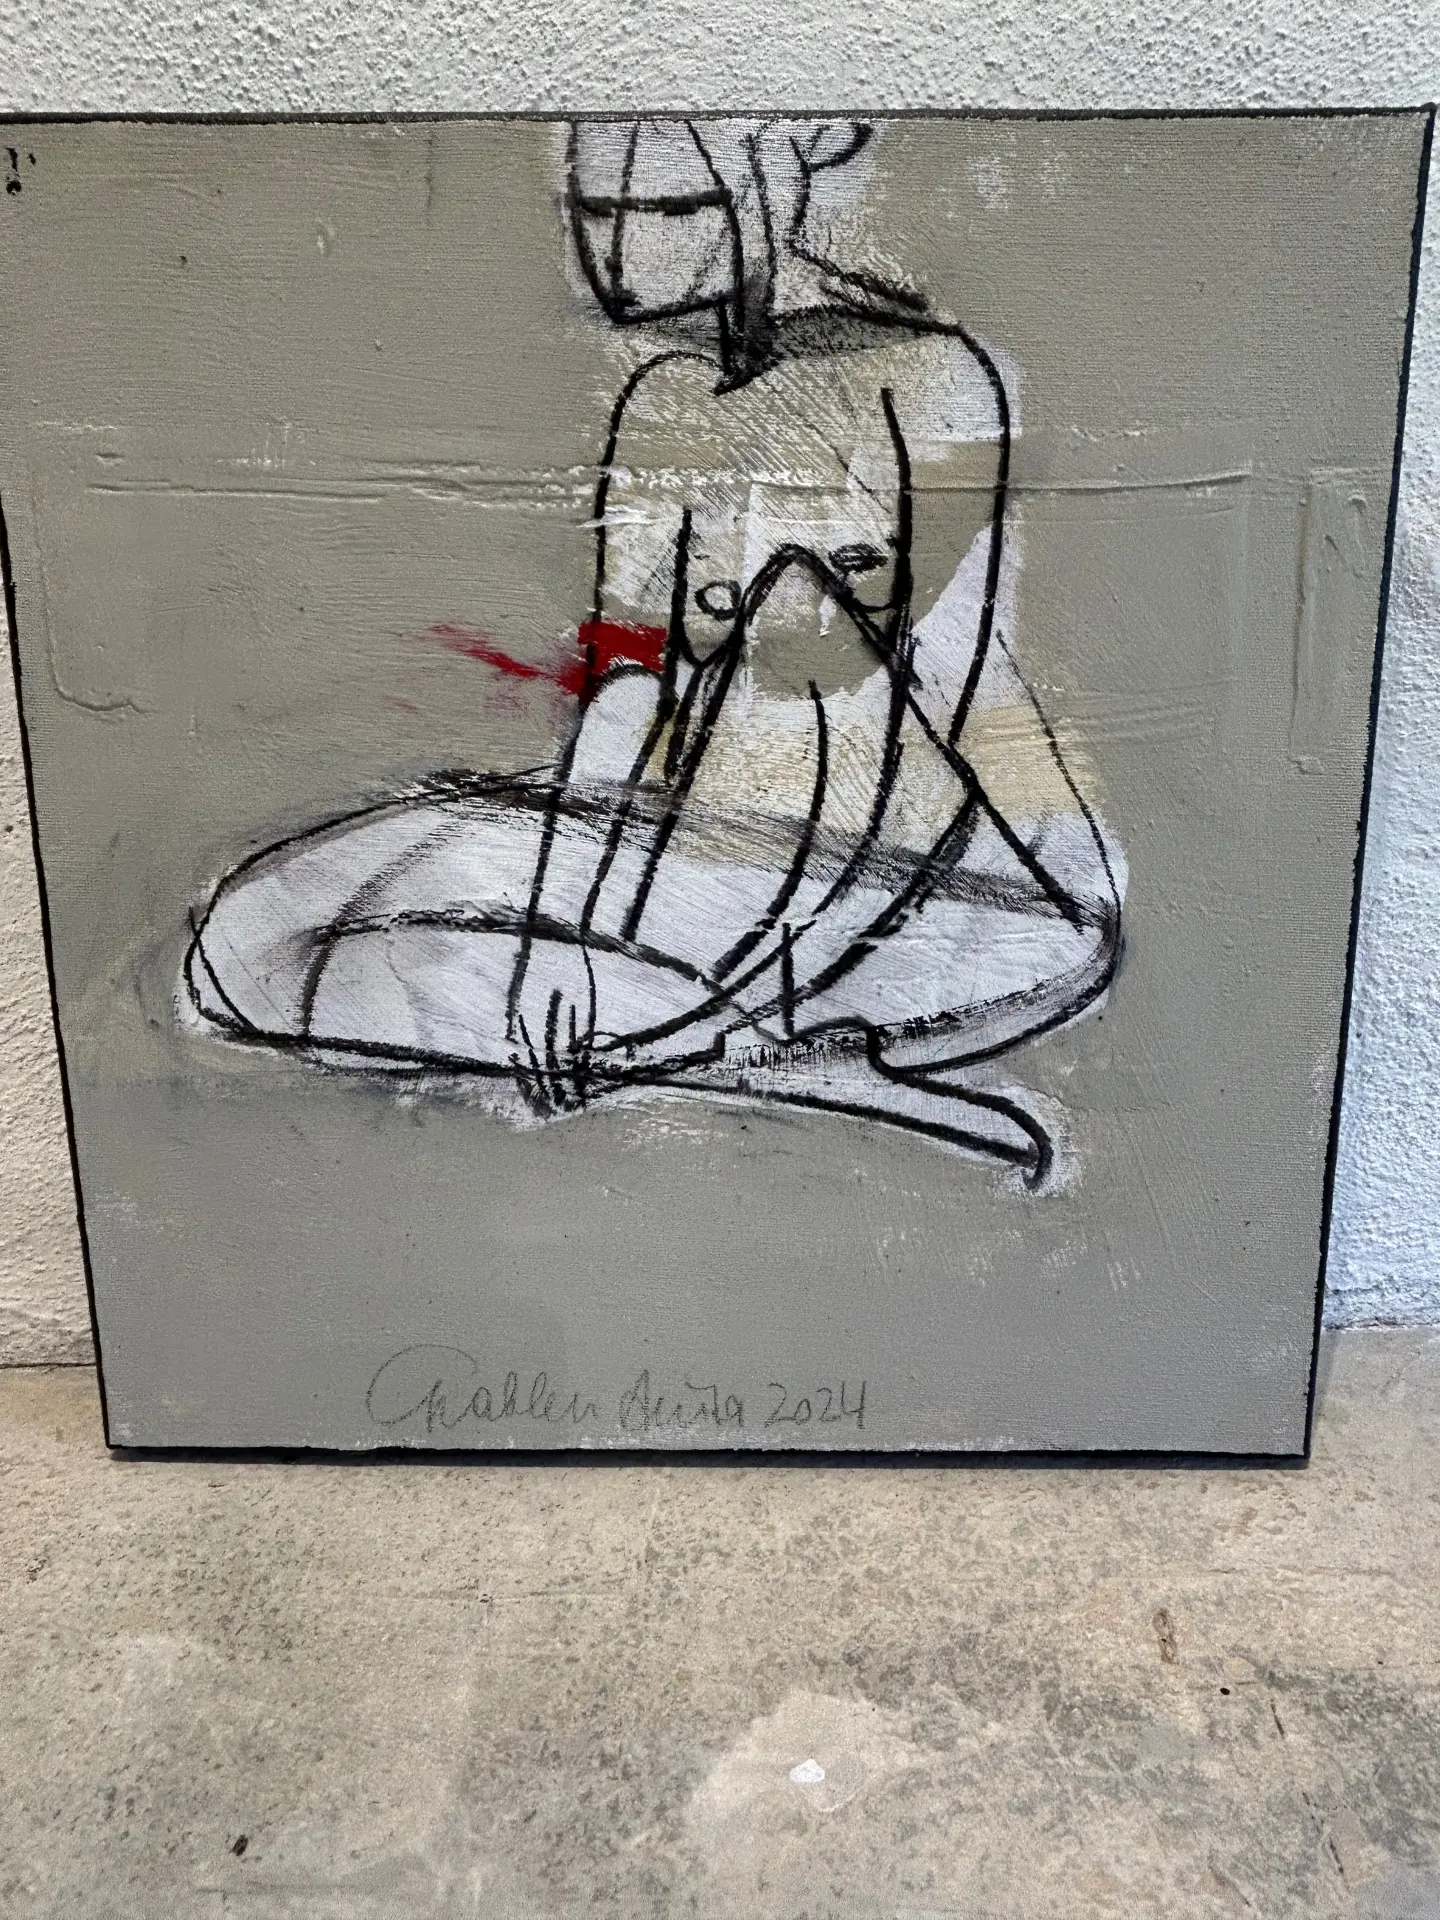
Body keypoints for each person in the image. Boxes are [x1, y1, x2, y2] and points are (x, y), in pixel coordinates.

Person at [184, 118, 1123, 1189]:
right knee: (242, 941)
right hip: (684, 850)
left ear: (768, 183)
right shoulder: (661, 404)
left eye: (674, 210)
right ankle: (733, 1049)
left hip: (902, 862)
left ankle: (725, 1029)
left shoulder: (935, 379)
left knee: (797, 628)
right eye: (597, 215)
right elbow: (627, 686)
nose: (624, 259)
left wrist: (1065, 899)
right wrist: (564, 920)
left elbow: (960, 676)